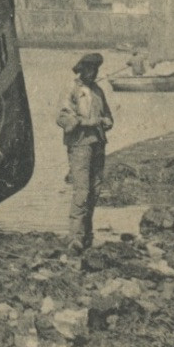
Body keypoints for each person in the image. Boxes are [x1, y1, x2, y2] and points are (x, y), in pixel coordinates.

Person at [56, 52, 113, 251]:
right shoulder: (72, 89)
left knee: (95, 190)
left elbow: (108, 115)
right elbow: (62, 118)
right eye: (89, 69)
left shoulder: (98, 91)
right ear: (81, 70)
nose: (93, 73)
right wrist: (84, 122)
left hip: (98, 144)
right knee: (81, 191)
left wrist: (107, 122)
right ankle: (75, 238)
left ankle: (88, 236)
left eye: (95, 70)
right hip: (80, 145)